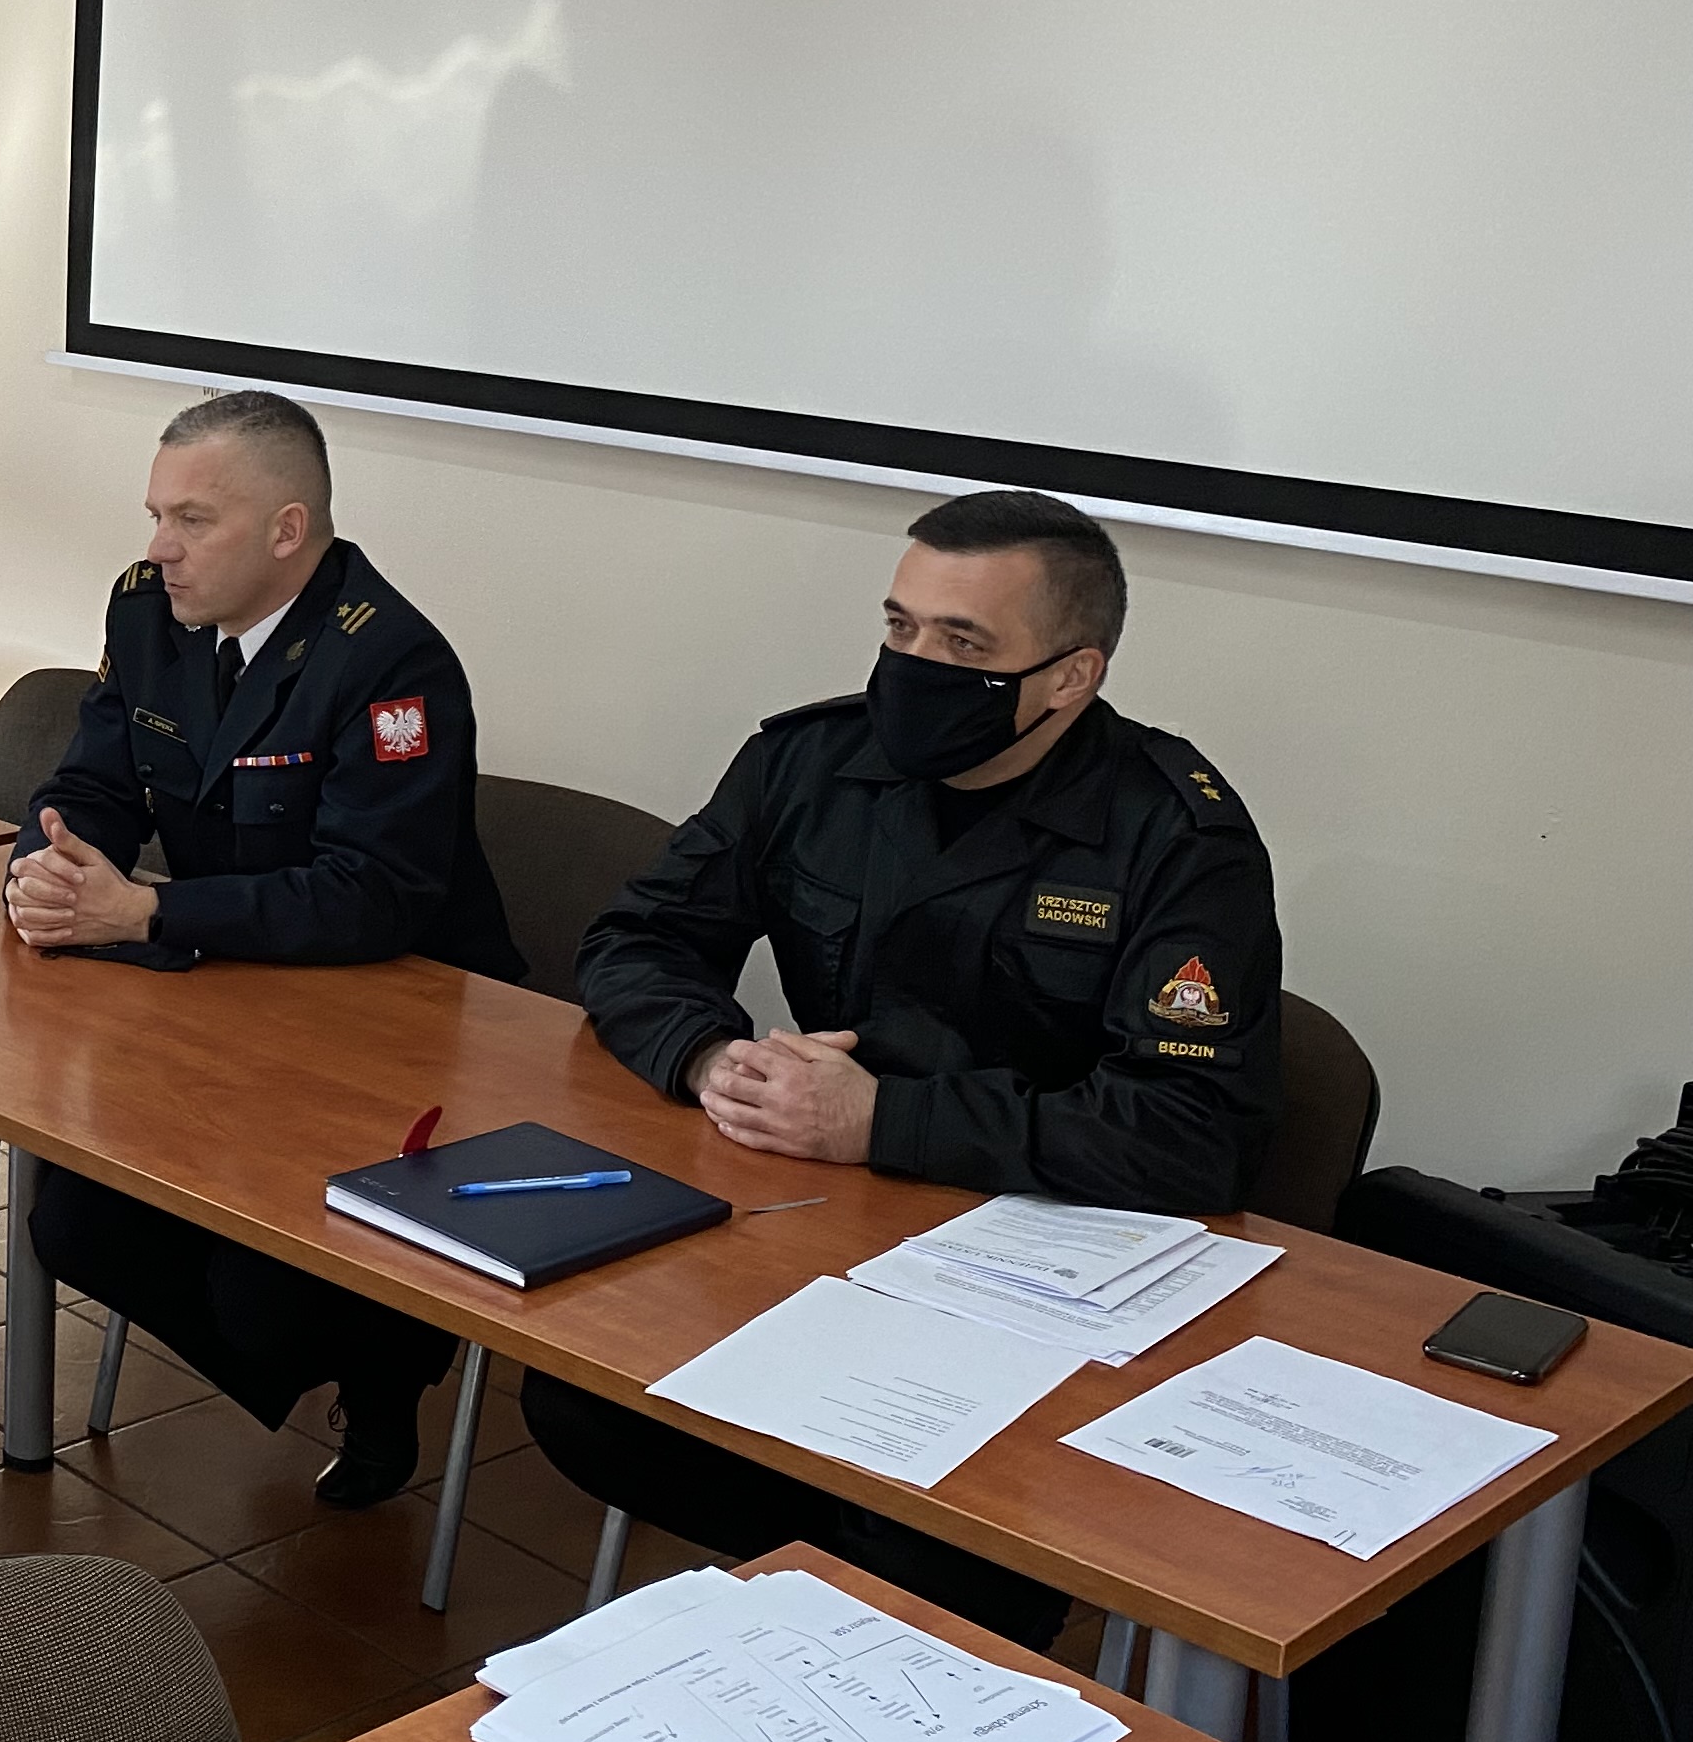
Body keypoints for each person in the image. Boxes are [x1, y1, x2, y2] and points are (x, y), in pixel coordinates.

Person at [526, 487, 1282, 1647]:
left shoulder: (1175, 835)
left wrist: (884, 1122)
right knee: (590, 1399)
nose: (917, 666)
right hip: (821, 1238)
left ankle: (866, 1662)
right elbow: (638, 940)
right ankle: (801, 1641)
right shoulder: (811, 762)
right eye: (901, 627)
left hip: (1037, 1282)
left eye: (964, 644)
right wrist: (711, 1057)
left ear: (1071, 678)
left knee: (931, 1539)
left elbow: (1193, 1130)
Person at [13, 388, 525, 1507]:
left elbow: (372, 896)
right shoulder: (148, 609)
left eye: (194, 521)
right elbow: (99, 778)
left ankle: (387, 1371)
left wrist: (147, 915)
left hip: (397, 1028)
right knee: (72, 1222)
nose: (161, 548)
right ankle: (351, 1342)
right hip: (234, 996)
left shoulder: (391, 663)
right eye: (157, 516)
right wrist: (51, 864)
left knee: (261, 1298)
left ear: (289, 531)